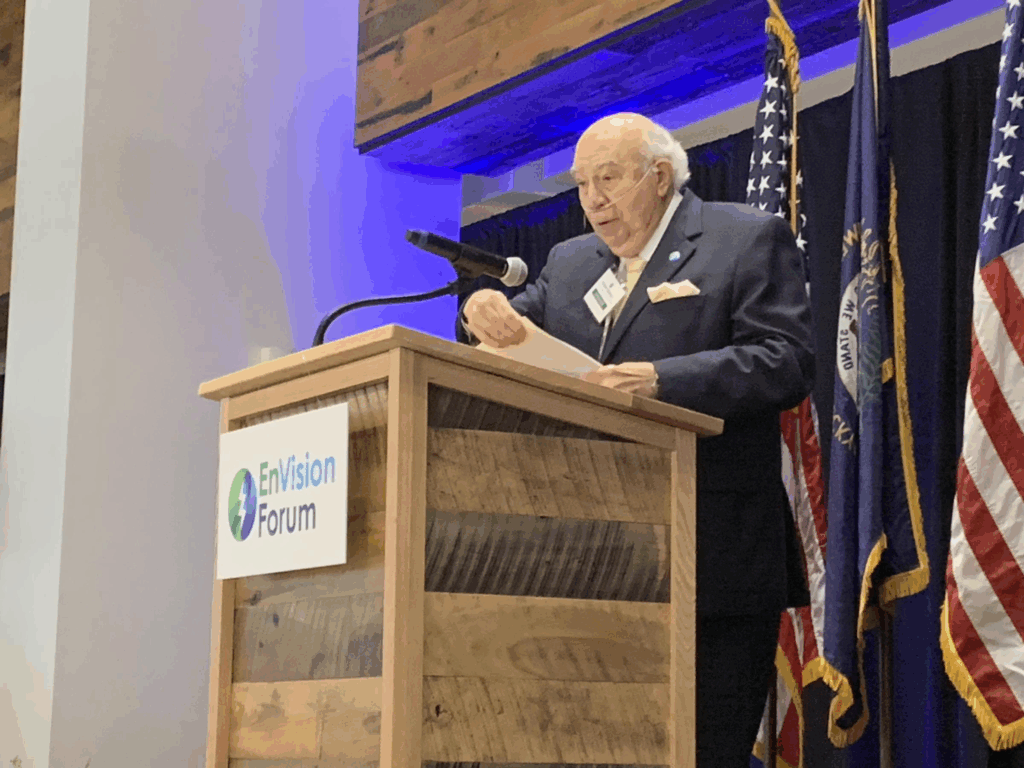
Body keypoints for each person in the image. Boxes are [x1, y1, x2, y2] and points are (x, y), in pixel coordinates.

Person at [460, 113, 815, 766]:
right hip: (591, 564)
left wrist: (660, 380)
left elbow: (786, 361)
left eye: (608, 178)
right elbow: (512, 329)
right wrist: (480, 310)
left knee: (701, 750)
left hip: (712, 558)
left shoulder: (743, 239)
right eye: (582, 184)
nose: (592, 199)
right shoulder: (571, 263)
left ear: (658, 176)